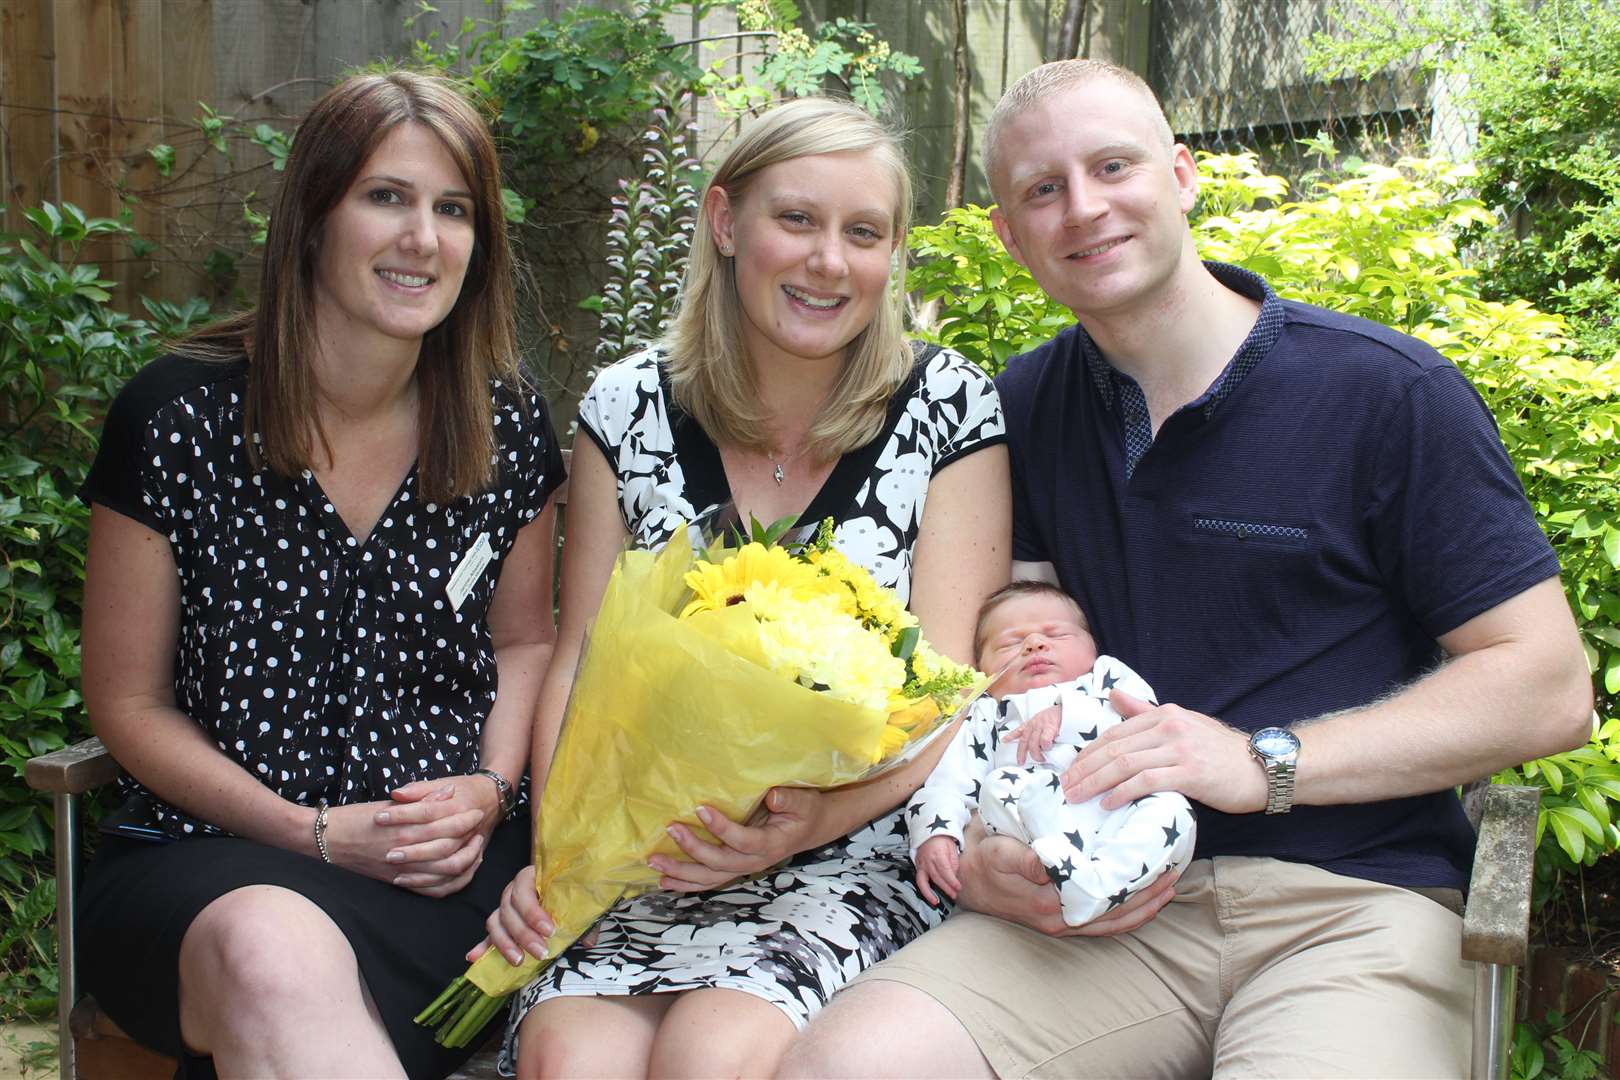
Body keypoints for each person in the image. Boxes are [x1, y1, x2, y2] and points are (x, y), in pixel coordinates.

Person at [781, 59, 1594, 1078]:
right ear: (1010, 235)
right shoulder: (1020, 413)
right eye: (1042, 189)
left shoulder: (1386, 396)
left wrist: (1261, 763)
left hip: (1354, 911)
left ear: (1181, 175)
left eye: (1112, 166)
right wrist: (983, 850)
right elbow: (983, 677)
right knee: (849, 1065)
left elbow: (1549, 688)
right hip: (1089, 907)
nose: (1084, 207)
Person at [473, 96, 1011, 1078]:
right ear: (726, 222)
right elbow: (580, 663)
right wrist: (561, 863)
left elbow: (947, 689)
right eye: (796, 220)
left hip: (857, 851)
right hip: (644, 850)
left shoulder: (949, 408)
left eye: (864, 233)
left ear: (894, 254)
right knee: (567, 1059)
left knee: (713, 1059)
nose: (828, 261)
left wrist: (813, 820)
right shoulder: (627, 407)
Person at [76, 71, 565, 1080]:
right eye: (385, 197)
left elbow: (526, 639)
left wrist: (489, 785)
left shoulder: (506, 424)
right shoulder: (179, 419)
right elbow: (126, 701)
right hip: (204, 860)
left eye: (452, 209)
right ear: (313, 217)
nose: (421, 238)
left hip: (449, 881)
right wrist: (315, 834)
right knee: (271, 952)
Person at [909, 581, 1195, 927]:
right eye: (1011, 643)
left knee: (1172, 807)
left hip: (1121, 811)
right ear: (982, 672)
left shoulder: (1107, 679)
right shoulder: (985, 715)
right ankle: (1071, 872)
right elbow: (948, 783)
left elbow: (1149, 722)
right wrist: (935, 834)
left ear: (1093, 647)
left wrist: (1066, 713)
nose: (1034, 644)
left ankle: (1104, 883)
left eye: (1056, 635)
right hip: (1040, 835)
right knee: (1000, 786)